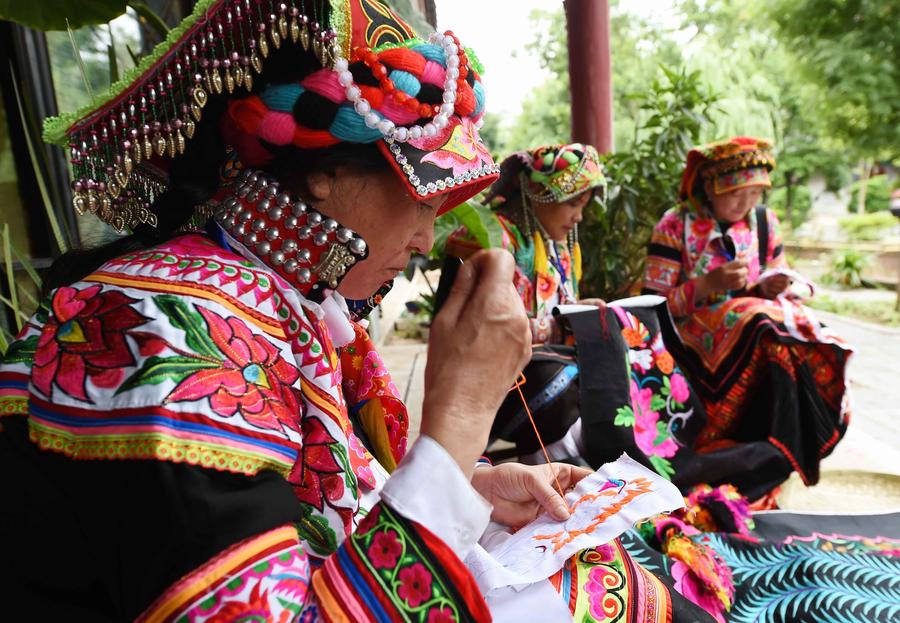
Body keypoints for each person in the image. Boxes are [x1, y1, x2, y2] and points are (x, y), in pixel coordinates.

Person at [0, 2, 716, 622]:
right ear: (322, 176)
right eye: (422, 197)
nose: (427, 237)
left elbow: (305, 507)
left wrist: (472, 489)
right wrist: (461, 412)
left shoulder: (278, 297)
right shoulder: (160, 322)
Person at [642, 136, 852, 499]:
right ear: (710, 186)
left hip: (755, 330)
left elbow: (776, 272)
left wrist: (774, 286)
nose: (747, 203)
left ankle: (783, 450)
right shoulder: (675, 225)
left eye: (755, 193)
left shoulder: (763, 221)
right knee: (761, 324)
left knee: (794, 332)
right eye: (737, 193)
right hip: (693, 340)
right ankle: (769, 454)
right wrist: (707, 284)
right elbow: (651, 305)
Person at [442, 144, 607, 344]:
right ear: (537, 191)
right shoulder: (489, 236)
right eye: (573, 204)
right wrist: (560, 326)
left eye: (583, 206)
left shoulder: (557, 245)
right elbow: (481, 328)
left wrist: (579, 309)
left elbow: (553, 311)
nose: (578, 217)